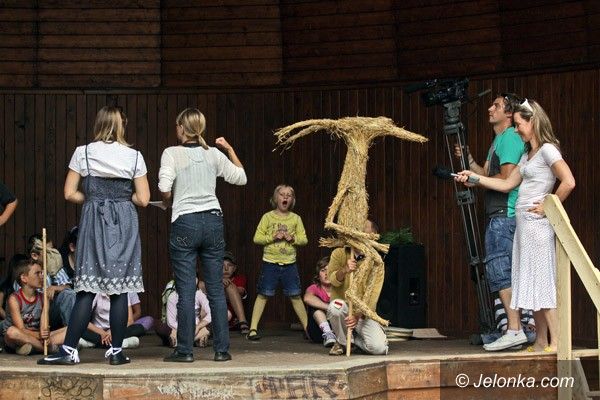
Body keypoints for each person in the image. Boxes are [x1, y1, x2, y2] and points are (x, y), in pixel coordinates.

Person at [456, 98, 575, 352]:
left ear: (533, 123)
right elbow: (507, 184)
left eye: (520, 124)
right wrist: (474, 178)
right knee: (530, 283)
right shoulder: (526, 155)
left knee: (541, 281)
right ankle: (541, 340)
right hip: (523, 226)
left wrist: (549, 206)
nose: (517, 129)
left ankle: (557, 341)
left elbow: (568, 181)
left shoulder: (548, 150)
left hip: (537, 225)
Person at [39, 106, 150, 365]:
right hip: (124, 224)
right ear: (121, 126)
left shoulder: (84, 152)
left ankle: (69, 351)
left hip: (94, 222)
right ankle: (117, 352)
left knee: (86, 290)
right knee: (120, 290)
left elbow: (69, 193)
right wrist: (122, 199)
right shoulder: (134, 156)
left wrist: (92, 198)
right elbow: (143, 199)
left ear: (98, 124)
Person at [158, 107, 246, 362]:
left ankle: (185, 351)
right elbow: (241, 177)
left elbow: (164, 187)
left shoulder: (171, 153)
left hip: (185, 221)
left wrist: (168, 199)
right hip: (213, 221)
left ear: (181, 128)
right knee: (216, 288)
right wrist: (229, 149)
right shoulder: (214, 154)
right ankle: (222, 350)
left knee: (186, 290)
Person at [456, 93, 528, 351]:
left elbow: (506, 179)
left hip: (504, 214)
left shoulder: (509, 138)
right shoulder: (499, 139)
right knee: (500, 271)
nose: (490, 108)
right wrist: (470, 162)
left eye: (496, 105)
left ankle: (515, 329)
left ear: (509, 113)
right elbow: (487, 174)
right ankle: (515, 328)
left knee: (501, 271)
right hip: (498, 215)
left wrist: (474, 180)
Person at [248, 184, 308, 340]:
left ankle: (308, 329)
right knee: (263, 294)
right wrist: (272, 237)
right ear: (276, 198)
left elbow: (304, 240)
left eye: (289, 195)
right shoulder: (267, 217)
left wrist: (293, 239)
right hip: (270, 263)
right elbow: (257, 238)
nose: (285, 197)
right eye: (282, 194)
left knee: (295, 295)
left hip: (290, 264)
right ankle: (252, 329)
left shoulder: (296, 218)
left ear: (292, 200)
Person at [326, 220, 388, 356]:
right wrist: (344, 270)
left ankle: (354, 341)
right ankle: (342, 342)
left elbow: (373, 296)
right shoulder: (339, 253)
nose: (360, 230)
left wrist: (357, 315)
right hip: (344, 308)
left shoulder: (377, 262)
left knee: (378, 348)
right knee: (335, 308)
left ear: (373, 235)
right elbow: (332, 280)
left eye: (364, 228)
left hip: (363, 313)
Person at [1, 259, 66, 355]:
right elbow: (21, 329)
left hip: (37, 336)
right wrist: (40, 336)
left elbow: (44, 325)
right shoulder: (14, 299)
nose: (42, 276)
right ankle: (49, 349)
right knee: (11, 332)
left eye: (41, 273)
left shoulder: (44, 297)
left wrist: (45, 334)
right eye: (37, 273)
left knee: (70, 329)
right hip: (19, 337)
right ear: (24, 278)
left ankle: (31, 348)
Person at [199, 251, 249, 334]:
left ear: (234, 268)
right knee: (201, 284)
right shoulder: (212, 279)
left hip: (229, 317)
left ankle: (243, 322)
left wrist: (223, 286)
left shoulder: (239, 278)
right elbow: (199, 286)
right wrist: (218, 282)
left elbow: (240, 291)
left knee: (230, 286)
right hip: (210, 316)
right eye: (222, 266)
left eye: (229, 265)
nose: (226, 269)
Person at [155, 281, 212, 349]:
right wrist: (185, 330)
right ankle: (198, 337)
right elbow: (171, 322)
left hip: (196, 326)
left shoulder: (198, 294)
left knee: (216, 323)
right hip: (178, 327)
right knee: (159, 326)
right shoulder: (173, 296)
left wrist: (198, 327)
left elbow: (210, 313)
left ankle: (178, 340)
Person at [78, 293, 144, 349]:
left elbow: (130, 320)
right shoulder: (97, 293)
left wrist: (113, 331)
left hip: (116, 330)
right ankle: (120, 344)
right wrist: (102, 332)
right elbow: (83, 319)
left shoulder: (123, 293)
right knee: (79, 328)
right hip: (98, 331)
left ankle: (93, 343)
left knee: (139, 328)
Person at [303, 256, 337, 347]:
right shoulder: (314, 288)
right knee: (315, 306)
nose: (326, 273)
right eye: (323, 270)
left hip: (337, 330)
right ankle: (328, 334)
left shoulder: (340, 289)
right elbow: (307, 298)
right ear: (318, 275)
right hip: (318, 332)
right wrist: (330, 308)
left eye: (330, 270)